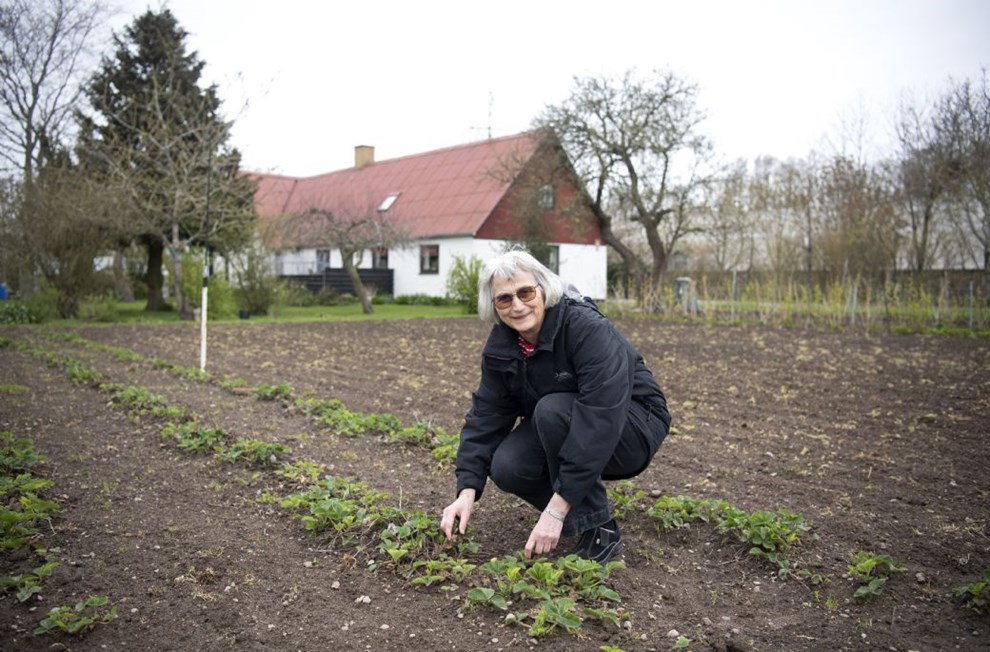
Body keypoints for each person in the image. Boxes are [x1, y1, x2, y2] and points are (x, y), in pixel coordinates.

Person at [439, 250, 671, 563]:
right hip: (568, 419)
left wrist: (556, 508)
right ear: (494, 306)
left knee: (550, 411)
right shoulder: (503, 346)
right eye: (505, 299)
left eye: (525, 292)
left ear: (544, 288)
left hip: (633, 423)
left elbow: (600, 416)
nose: (518, 306)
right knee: (508, 465)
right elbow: (487, 415)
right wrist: (466, 491)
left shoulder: (585, 328)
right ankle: (593, 519)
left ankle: (598, 531)